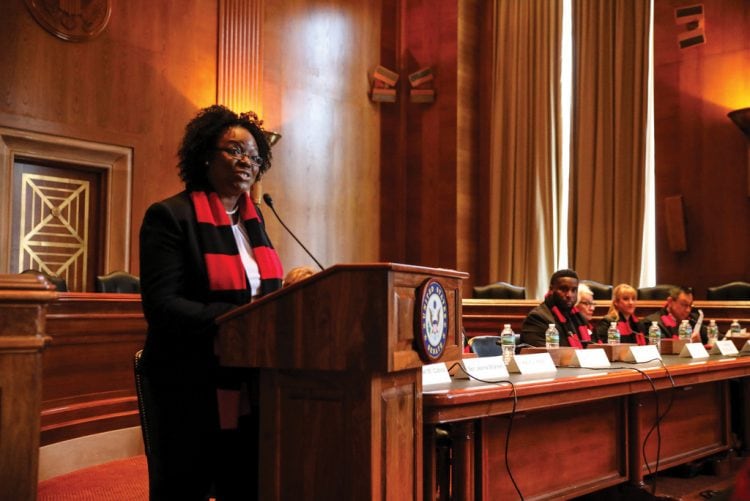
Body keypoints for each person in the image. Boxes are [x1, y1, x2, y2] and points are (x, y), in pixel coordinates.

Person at [139, 105, 283, 500]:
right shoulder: (170, 217)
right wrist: (240, 320)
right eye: (234, 151)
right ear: (205, 155)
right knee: (187, 486)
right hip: (189, 382)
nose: (246, 162)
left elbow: (264, 294)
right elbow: (162, 305)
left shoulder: (256, 223)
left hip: (251, 380)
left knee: (247, 483)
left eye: (254, 157)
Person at [521, 269, 591, 348]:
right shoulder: (537, 318)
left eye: (574, 290)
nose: (569, 295)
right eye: (564, 289)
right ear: (551, 290)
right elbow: (542, 354)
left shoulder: (579, 318)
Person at [641, 285, 707, 343]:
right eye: (684, 305)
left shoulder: (693, 319)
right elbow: (662, 347)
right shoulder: (652, 323)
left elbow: (713, 340)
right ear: (670, 302)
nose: (688, 310)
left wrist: (699, 343)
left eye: (690, 305)